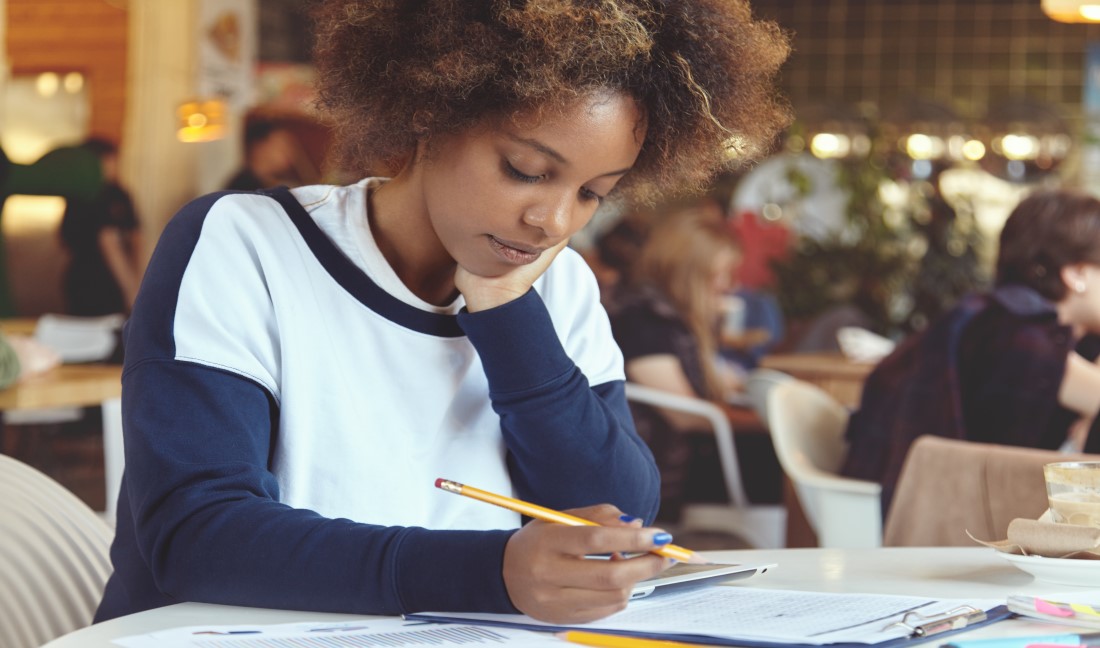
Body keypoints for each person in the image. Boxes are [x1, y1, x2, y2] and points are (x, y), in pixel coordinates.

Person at [95, 0, 791, 625]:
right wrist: (489, 573)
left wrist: (507, 311)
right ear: (431, 111)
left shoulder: (558, 287)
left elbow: (613, 509)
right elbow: (196, 536)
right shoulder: (245, 244)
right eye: (525, 169)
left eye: (593, 194)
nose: (552, 220)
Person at [843, 189, 1100, 513]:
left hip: (931, 503)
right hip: (939, 518)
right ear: (1076, 274)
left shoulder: (994, 314)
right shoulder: (1019, 334)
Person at [609, 207, 747, 523]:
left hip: (691, 460)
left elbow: (720, 382)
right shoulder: (643, 319)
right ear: (689, 271)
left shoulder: (674, 320)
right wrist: (765, 421)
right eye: (721, 275)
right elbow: (685, 415)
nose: (727, 285)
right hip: (663, 474)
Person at [58, 138, 143, 316]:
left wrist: (136, 283)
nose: (115, 165)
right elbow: (109, 241)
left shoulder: (115, 193)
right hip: (97, 280)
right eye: (110, 160)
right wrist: (132, 289)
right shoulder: (96, 194)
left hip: (96, 278)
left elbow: (135, 237)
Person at [222, 118, 312, 191]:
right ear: (259, 148)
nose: (290, 152)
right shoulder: (240, 187)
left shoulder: (289, 183)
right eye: (281, 146)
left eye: (291, 146)